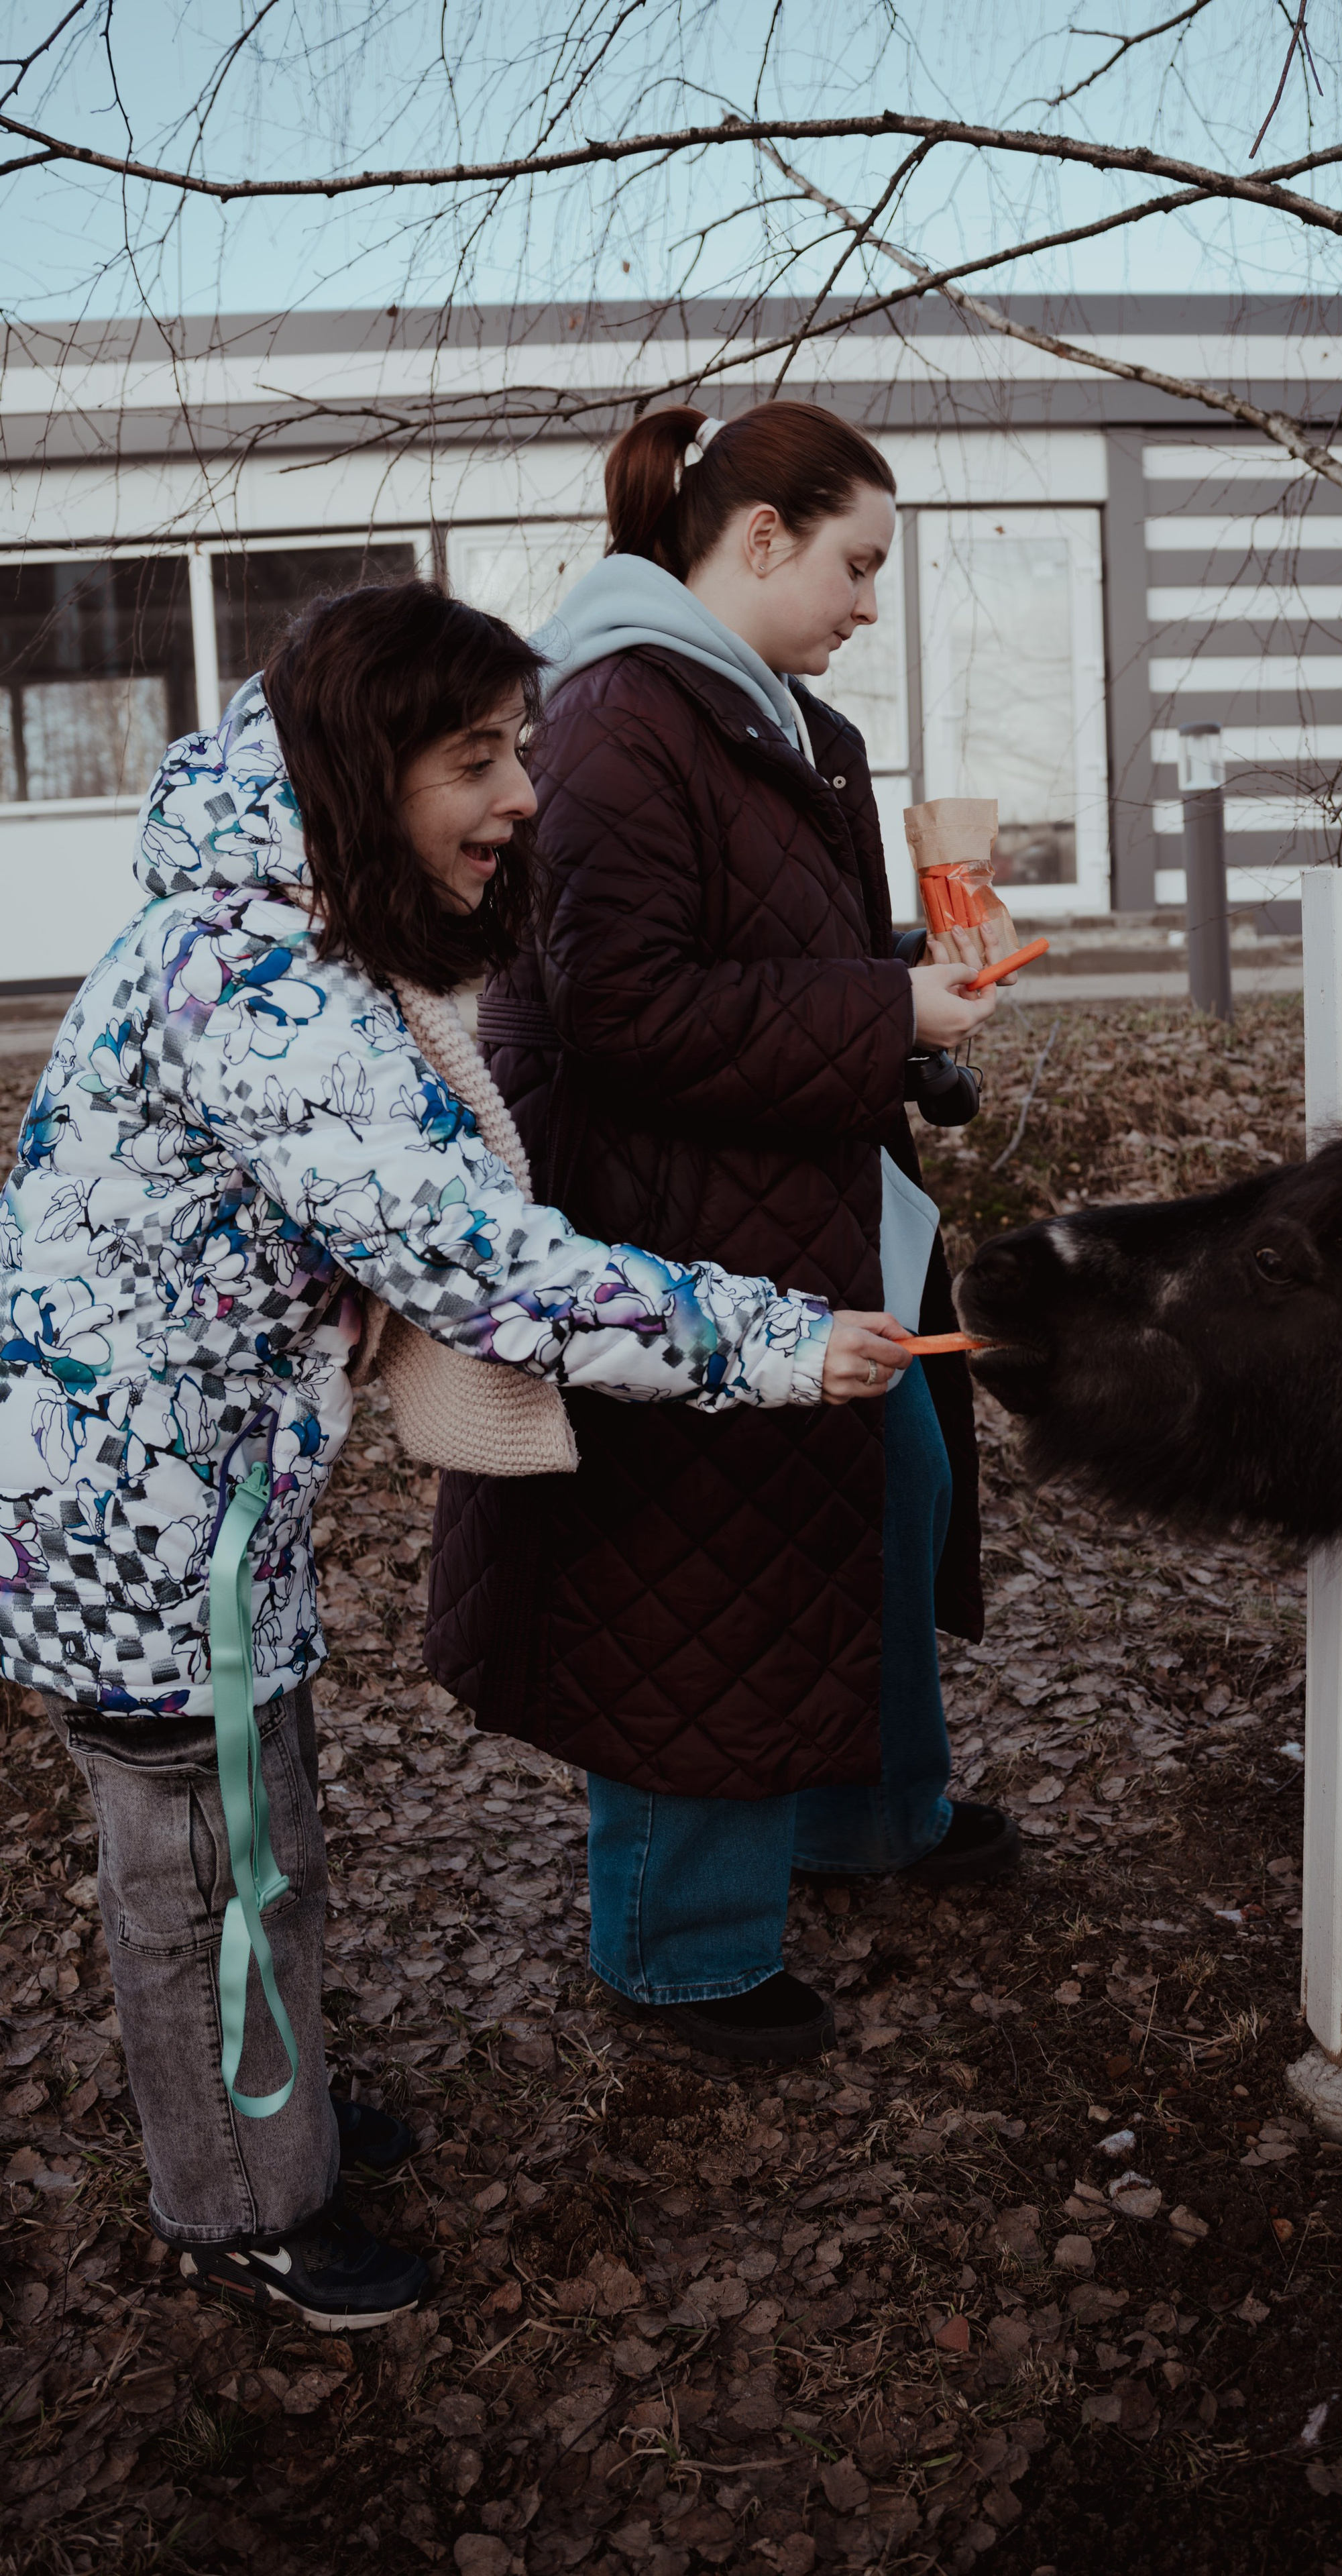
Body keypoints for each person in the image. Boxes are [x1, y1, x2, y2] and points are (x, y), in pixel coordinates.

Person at [0, 580, 905, 2330]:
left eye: (520, 750)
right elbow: (483, 1269)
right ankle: (246, 2201)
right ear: (367, 768)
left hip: (178, 1492)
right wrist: (768, 1339)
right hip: (138, 1523)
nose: (522, 795)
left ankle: (268, 2113)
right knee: (212, 1873)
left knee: (254, 1839)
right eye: (476, 759)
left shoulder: (266, 923)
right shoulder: (263, 988)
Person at [426, 400, 1019, 2067]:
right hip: (665, 1229)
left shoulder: (781, 719)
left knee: (892, 1489)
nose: (869, 603)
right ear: (759, 537)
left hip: (806, 1211)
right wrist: (883, 1008)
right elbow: (620, 1005)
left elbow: (764, 959)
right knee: (696, 1568)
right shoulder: (615, 715)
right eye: (855, 563)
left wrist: (911, 1006)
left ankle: (864, 1815)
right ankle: (680, 1953)